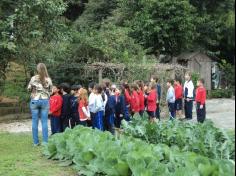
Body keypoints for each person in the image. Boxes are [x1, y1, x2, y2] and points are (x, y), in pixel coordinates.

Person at [27, 63, 52, 146]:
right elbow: (51, 91)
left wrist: (34, 91)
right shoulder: (48, 79)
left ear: (37, 69)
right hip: (45, 101)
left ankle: (35, 142)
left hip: (35, 100)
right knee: (44, 122)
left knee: (35, 121)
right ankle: (45, 142)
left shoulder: (33, 78)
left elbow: (29, 88)